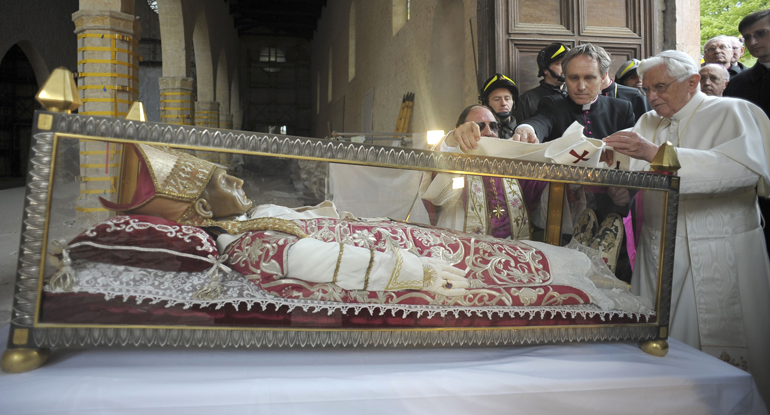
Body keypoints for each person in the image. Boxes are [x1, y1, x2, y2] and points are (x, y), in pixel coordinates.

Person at [93, 142, 649, 314]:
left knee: (533, 254)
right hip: (431, 266)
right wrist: (424, 273)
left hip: (426, 241)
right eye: (220, 181)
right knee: (538, 274)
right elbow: (339, 266)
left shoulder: (252, 221)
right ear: (198, 210)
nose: (236, 177)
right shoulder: (250, 246)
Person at [604, 50, 770, 404]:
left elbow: (744, 171)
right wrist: (618, 183)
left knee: (721, 355)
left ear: (693, 82)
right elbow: (625, 164)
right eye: (647, 89)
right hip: (659, 249)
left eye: (660, 87)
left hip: (719, 247)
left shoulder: (732, 112)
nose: (651, 97)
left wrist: (659, 155)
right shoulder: (648, 121)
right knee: (656, 351)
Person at [420, 105, 530, 238]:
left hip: (506, 252)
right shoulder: (456, 159)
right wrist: (452, 140)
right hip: (459, 245)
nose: (489, 132)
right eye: (479, 126)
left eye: (494, 126)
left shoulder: (509, 166)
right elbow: (437, 196)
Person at [512, 44, 635, 144]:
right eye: (574, 78)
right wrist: (526, 129)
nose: (581, 87)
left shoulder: (622, 109)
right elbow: (540, 122)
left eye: (589, 78)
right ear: (565, 77)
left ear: (603, 78)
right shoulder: (553, 105)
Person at [516, 43, 569, 122]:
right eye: (559, 64)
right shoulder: (526, 100)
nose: (565, 67)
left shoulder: (576, 94)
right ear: (545, 69)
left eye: (567, 63)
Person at [478, 73, 519, 139]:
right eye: (497, 99)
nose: (503, 103)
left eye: (507, 99)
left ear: (513, 102)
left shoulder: (523, 130)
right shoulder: (479, 132)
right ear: (486, 103)